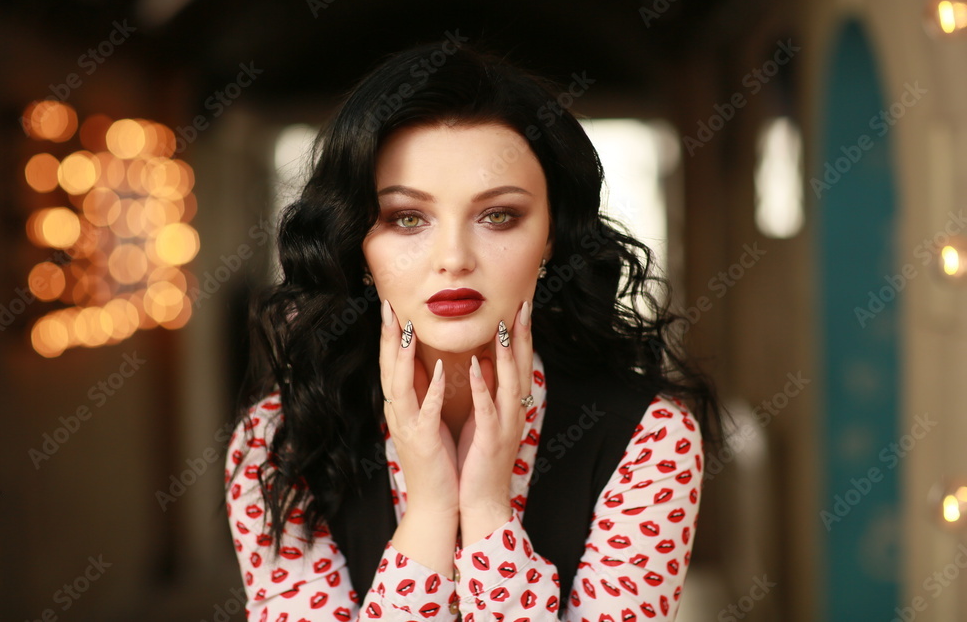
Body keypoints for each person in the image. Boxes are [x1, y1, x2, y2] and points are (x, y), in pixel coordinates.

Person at [224, 40, 723, 621]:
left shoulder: (649, 438)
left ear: (551, 237)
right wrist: (431, 513)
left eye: (498, 216)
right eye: (407, 218)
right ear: (356, 245)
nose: (454, 258)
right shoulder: (278, 442)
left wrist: (488, 512)